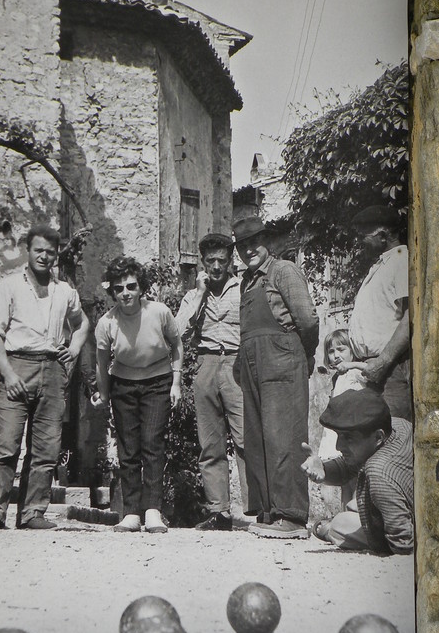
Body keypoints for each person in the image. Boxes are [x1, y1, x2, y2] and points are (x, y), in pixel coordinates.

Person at [0, 223, 90, 530]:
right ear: (28, 251)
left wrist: (73, 350)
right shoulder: (10, 286)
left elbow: (81, 324)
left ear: (56, 254)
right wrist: (8, 374)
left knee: (46, 448)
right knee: (7, 444)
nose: (44, 257)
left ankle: (32, 513)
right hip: (18, 367)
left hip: (52, 370)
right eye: (39, 250)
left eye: (50, 252)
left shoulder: (64, 291)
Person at [232, 216, 319, 539]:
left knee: (284, 435)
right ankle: (268, 511)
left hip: (283, 358)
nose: (248, 250)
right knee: (259, 437)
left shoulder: (283, 271)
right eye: (242, 245)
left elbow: (307, 321)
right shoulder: (248, 280)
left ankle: (293, 517)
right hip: (254, 363)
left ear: (267, 241)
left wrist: (301, 355)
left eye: (254, 242)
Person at [92, 257, 183, 535]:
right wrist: (104, 394)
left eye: (131, 286)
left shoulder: (159, 312)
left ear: (140, 287)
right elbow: (101, 361)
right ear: (113, 293)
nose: (126, 293)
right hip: (123, 384)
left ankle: (153, 510)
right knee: (128, 448)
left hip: (157, 381)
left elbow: (177, 345)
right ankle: (131, 512)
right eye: (119, 289)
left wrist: (176, 383)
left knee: (152, 443)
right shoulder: (106, 322)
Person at [176, 232, 248, 531]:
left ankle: (255, 510)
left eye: (222, 260)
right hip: (205, 363)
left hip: (236, 363)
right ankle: (220, 511)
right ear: (202, 262)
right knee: (210, 443)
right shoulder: (194, 294)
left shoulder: (243, 287)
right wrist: (201, 294)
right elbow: (177, 330)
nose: (216, 266)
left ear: (231, 260)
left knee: (245, 439)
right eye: (210, 261)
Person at [302, 388, 414, 555]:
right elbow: (354, 462)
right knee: (355, 507)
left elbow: (403, 543)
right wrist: (324, 470)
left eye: (348, 438)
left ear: (378, 437)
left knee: (340, 523)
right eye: (339, 436)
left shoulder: (379, 471)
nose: (338, 446)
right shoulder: (397, 425)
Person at [346, 205, 412, 421]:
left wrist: (383, 362)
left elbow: (410, 317)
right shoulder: (382, 265)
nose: (359, 242)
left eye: (363, 236)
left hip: (389, 368)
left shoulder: (402, 259)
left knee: (395, 434)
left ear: (382, 235)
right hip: (371, 367)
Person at [305, 327, 367, 507]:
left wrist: (352, 365)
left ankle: (356, 519)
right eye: (331, 351)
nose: (336, 355)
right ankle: (344, 518)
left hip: (354, 432)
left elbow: (370, 369)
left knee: (357, 477)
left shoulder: (355, 372)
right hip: (340, 433)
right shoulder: (336, 378)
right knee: (344, 480)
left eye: (341, 349)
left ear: (352, 351)